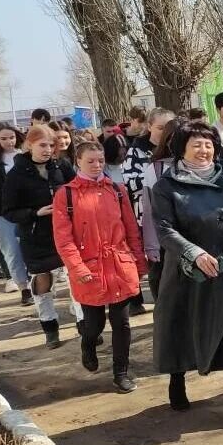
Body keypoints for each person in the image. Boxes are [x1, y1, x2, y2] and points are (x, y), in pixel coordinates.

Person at [151, 120, 223, 425]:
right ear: (181, 148)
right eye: (197, 144)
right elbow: (164, 230)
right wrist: (194, 252)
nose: (204, 150)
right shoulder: (166, 186)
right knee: (180, 331)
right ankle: (177, 381)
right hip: (184, 274)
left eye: (209, 144)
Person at [51, 142, 147, 393]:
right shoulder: (66, 194)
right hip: (89, 268)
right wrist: (77, 268)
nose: (97, 165)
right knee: (95, 325)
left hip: (119, 263)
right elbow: (64, 238)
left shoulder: (117, 190)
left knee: (122, 323)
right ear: (78, 161)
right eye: (91, 161)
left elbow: (131, 229)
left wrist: (138, 260)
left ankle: (121, 372)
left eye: (100, 160)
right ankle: (88, 343)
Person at [2, 124, 74, 348]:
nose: (48, 149)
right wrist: (35, 213)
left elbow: (77, 190)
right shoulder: (16, 174)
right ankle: (50, 327)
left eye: (51, 145)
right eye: (42, 145)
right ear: (29, 144)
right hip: (35, 236)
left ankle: (85, 325)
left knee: (76, 276)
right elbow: (9, 211)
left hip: (66, 232)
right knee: (43, 280)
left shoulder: (61, 166)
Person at [122, 107, 173, 315]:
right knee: (157, 265)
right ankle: (161, 307)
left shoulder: (178, 149)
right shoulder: (136, 151)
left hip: (176, 216)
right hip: (148, 216)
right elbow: (130, 182)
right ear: (149, 126)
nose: (163, 132)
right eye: (160, 127)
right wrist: (155, 179)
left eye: (167, 128)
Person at [0, 123, 31, 302]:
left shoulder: (25, 157)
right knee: (11, 250)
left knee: (29, 246)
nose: (8, 142)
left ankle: (36, 282)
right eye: (3, 138)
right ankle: (23, 287)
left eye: (11, 137)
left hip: (27, 209)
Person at [138, 118, 180, 302]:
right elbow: (148, 211)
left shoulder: (206, 167)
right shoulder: (154, 170)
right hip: (166, 239)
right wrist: (151, 245)